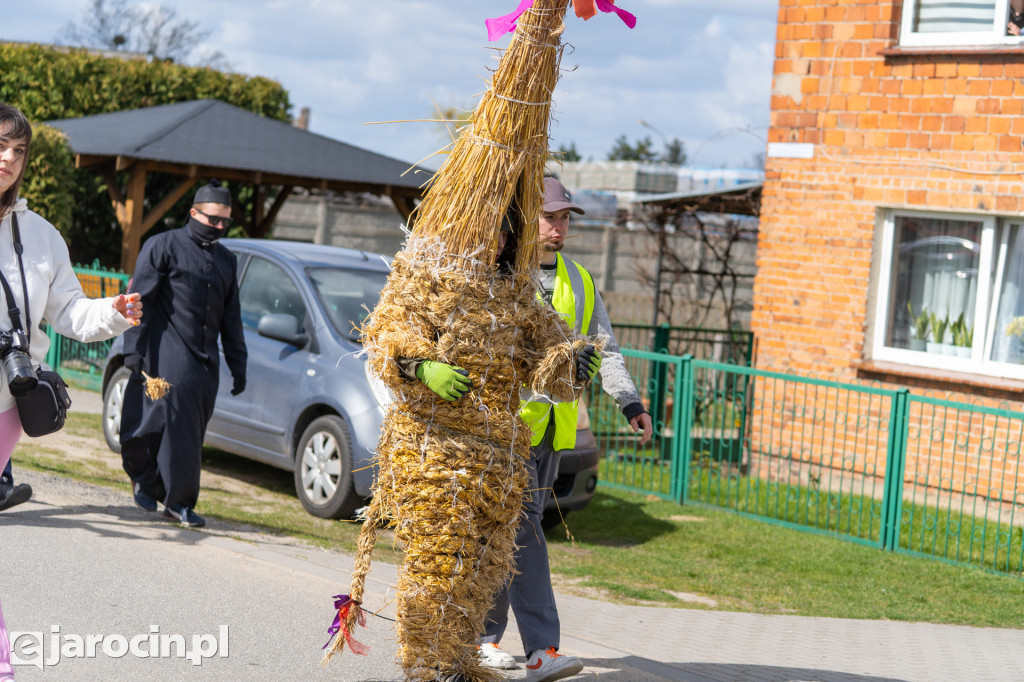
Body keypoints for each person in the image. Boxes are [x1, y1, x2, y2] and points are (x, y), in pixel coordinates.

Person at [477, 176, 654, 681]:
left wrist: (629, 401)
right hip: (508, 429)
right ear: (526, 220)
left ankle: (483, 637)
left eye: (564, 218)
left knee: (506, 531)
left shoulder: (579, 280)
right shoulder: (504, 277)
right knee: (523, 528)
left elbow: (604, 348)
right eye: (550, 217)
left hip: (555, 432)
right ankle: (541, 651)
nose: (559, 227)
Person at [0, 101, 142, 680]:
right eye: (0, 145)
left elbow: (70, 313)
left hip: (7, 400)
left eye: (18, 151)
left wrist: (114, 311)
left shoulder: (40, 238)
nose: (8, 159)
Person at [118, 179, 247, 529]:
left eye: (225, 222)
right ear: (193, 212)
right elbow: (137, 300)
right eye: (213, 220)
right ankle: (145, 476)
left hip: (206, 362)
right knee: (153, 424)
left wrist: (239, 365)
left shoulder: (227, 260)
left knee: (189, 434)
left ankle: (178, 503)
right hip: (166, 350)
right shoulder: (163, 246)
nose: (219, 227)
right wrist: (132, 348)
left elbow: (231, 316)